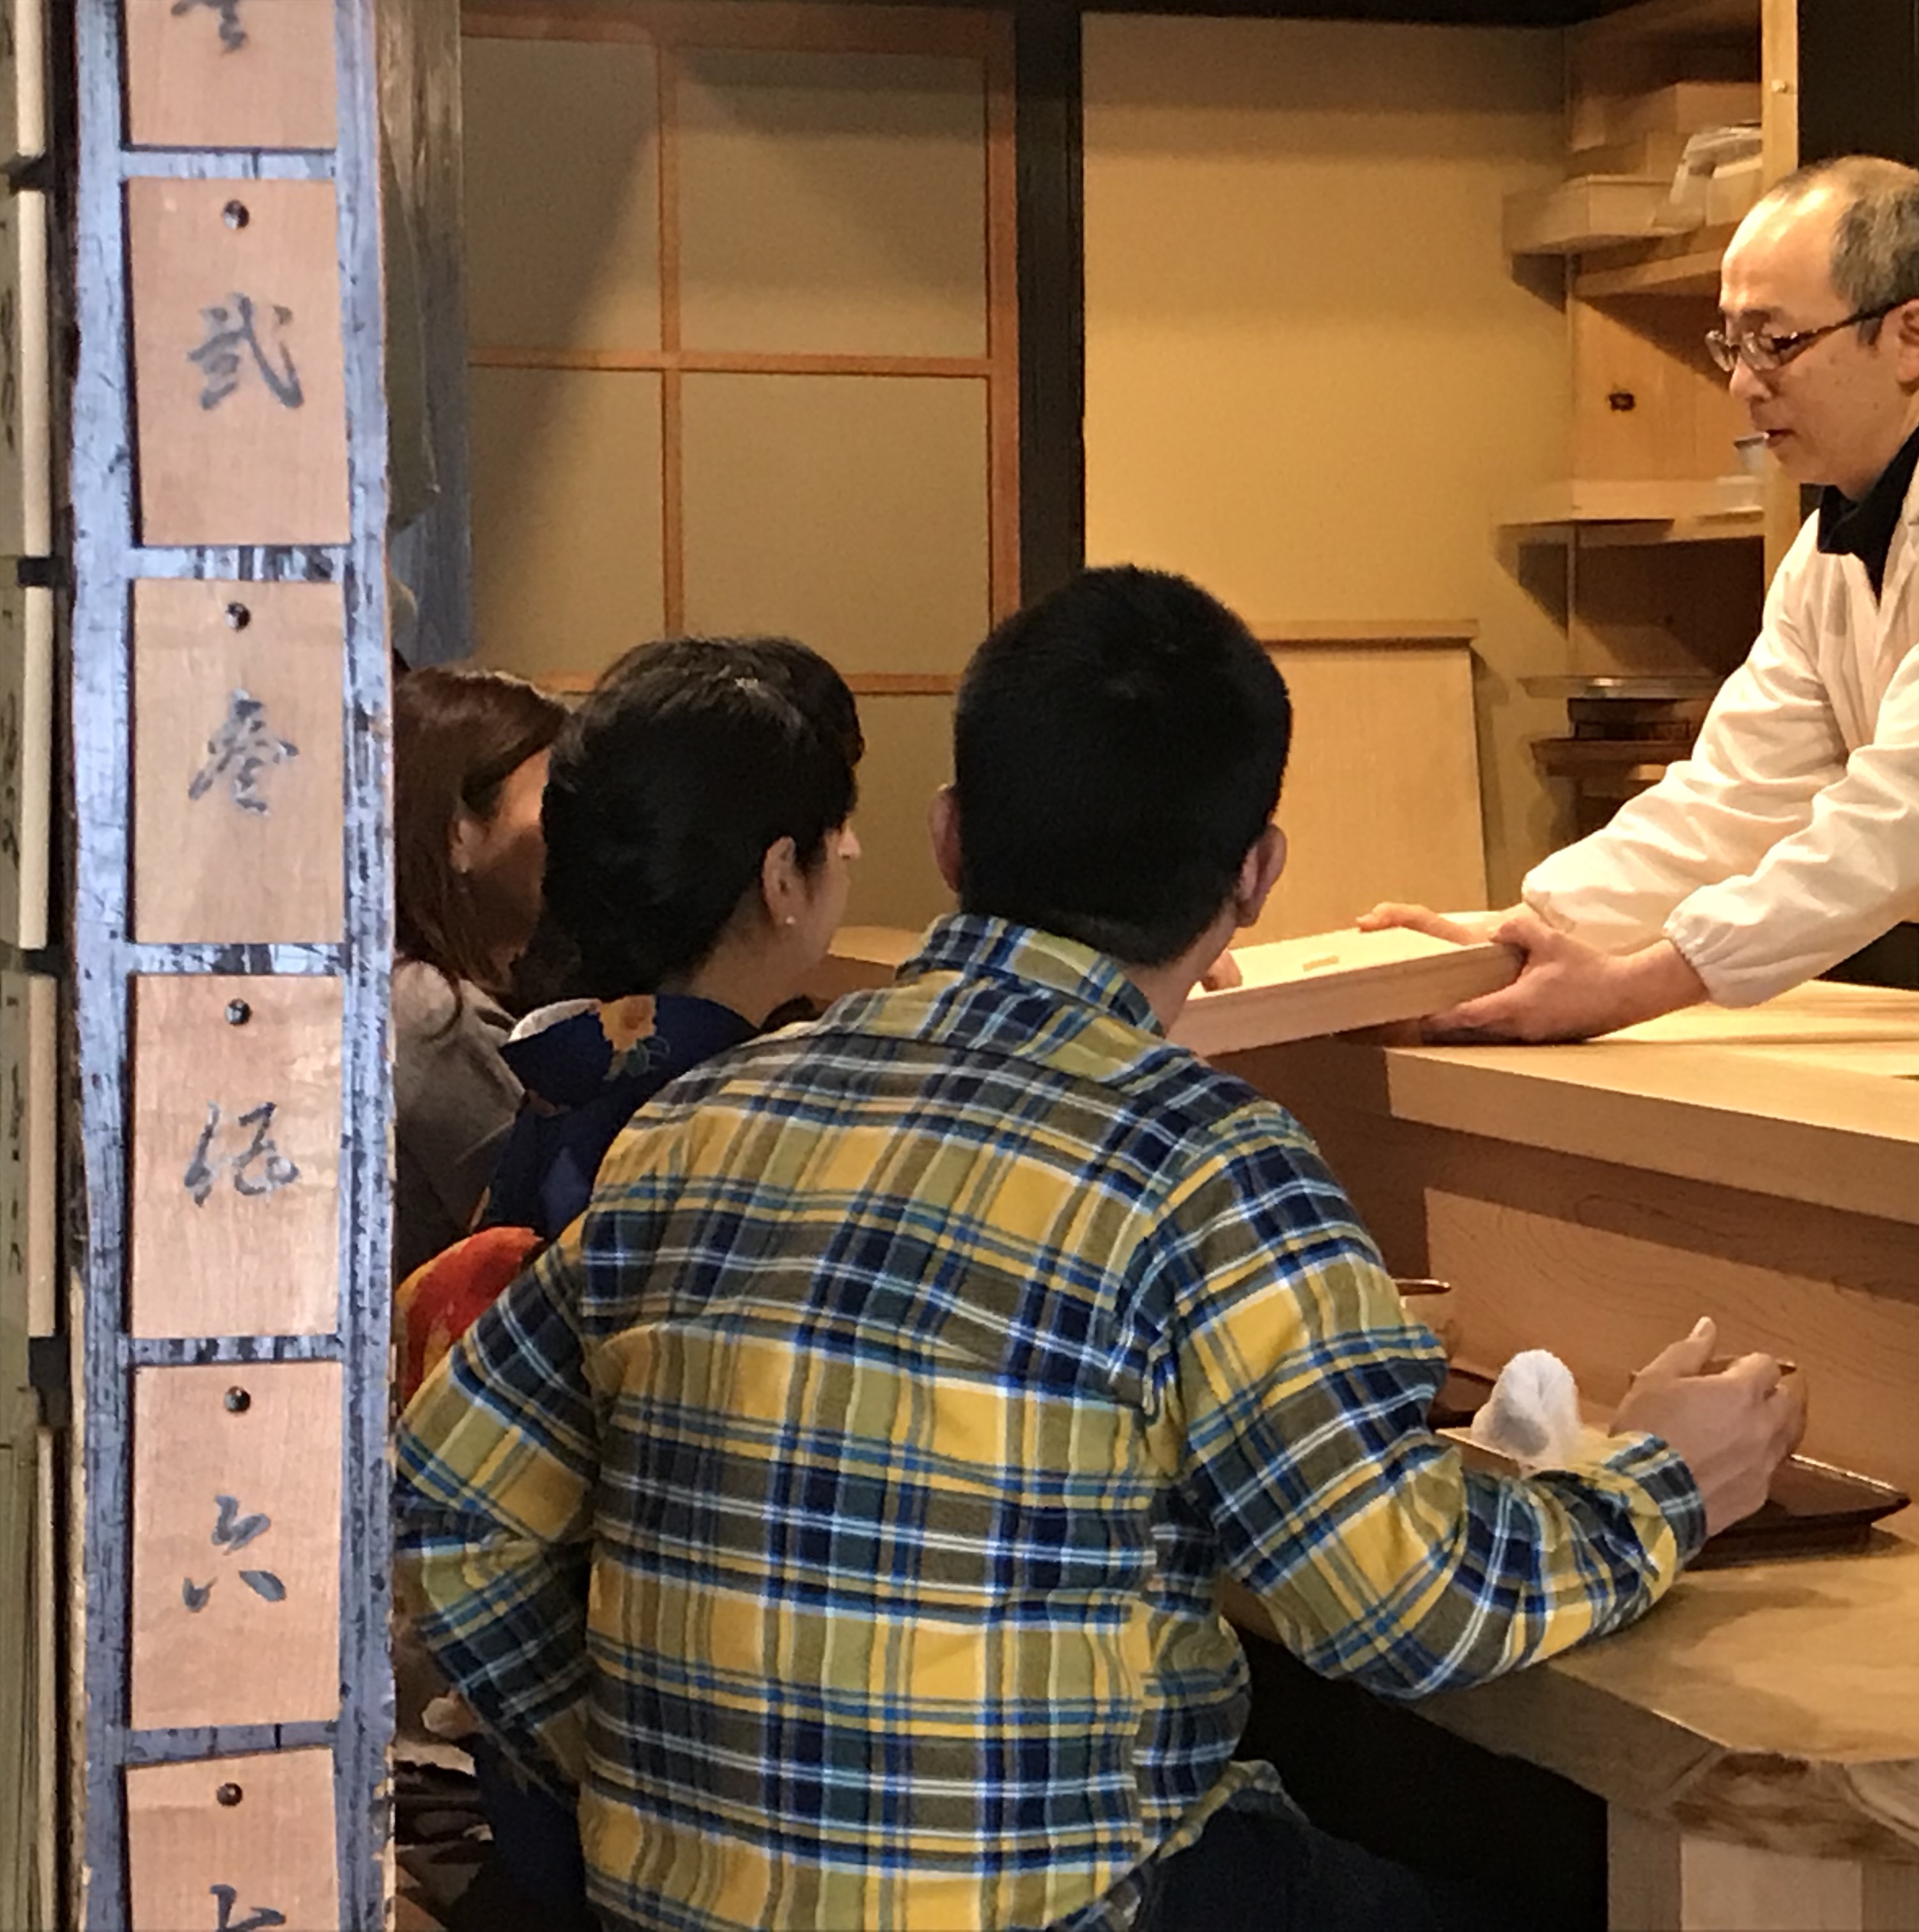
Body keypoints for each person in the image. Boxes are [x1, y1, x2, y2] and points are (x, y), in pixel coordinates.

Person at [395, 565, 1804, 1932]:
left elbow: (453, 1501)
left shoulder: (701, 1118)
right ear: (1255, 876)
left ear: (952, 838)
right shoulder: (1208, 1167)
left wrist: (623, 1761)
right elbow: (1407, 1605)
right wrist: (1665, 1481)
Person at [1369, 156, 1919, 1042]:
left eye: (1777, 341)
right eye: (1731, 343)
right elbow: (1733, 799)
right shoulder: (1826, 552)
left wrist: (1626, 988)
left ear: (1912, 337)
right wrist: (1518, 932)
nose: (1742, 381)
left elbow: (1903, 814)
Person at [396, 635, 865, 1932]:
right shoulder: (731, 1136)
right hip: (690, 1790)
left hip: (545, 1767)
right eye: (837, 831)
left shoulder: (570, 1078)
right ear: (783, 877)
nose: (854, 856)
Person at [392, 666, 567, 1282]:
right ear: (457, 832)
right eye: (556, 801)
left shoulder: (393, 984)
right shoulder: (434, 1019)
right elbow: (563, 1236)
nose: (581, 832)